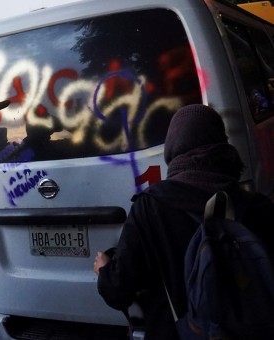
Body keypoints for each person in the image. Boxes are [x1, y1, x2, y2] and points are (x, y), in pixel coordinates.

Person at [93, 104, 274, 339]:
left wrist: (105, 268)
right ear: (221, 143)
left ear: (173, 147)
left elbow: (119, 291)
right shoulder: (257, 207)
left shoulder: (151, 207)